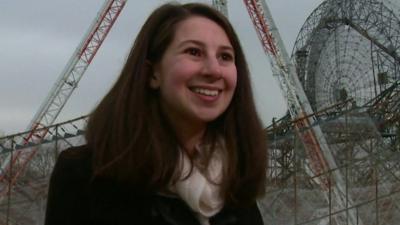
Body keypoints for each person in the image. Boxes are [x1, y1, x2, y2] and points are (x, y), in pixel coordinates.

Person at [45, 2, 267, 225]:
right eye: (194, 52)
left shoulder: (235, 183)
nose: (214, 69)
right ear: (153, 73)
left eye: (225, 57)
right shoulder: (84, 177)